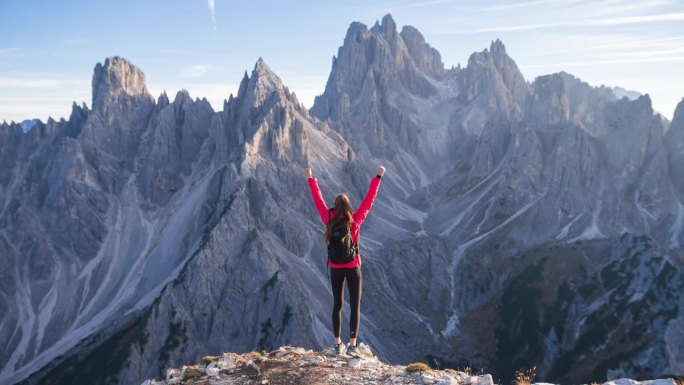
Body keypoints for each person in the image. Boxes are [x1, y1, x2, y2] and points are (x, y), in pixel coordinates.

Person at [305, 165, 385, 357]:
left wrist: (311, 178)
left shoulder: (328, 219)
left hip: (335, 268)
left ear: (335, 206)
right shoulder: (355, 221)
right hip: (353, 266)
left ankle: (337, 344)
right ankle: (352, 345)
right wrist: (378, 177)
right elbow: (369, 199)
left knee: (337, 305)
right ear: (348, 207)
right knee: (355, 305)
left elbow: (318, 199)